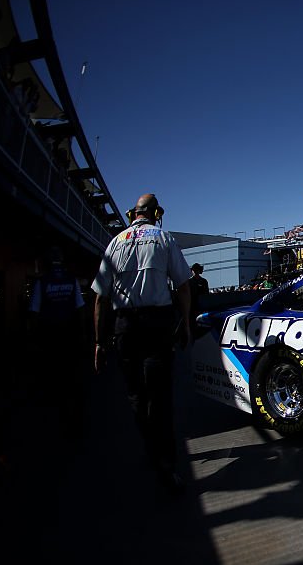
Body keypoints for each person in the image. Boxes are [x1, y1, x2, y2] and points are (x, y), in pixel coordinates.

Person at [92, 194, 192, 492]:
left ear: (133, 214)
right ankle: (167, 466)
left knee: (136, 395)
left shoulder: (115, 242)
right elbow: (184, 286)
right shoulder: (163, 239)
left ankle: (150, 449)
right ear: (156, 213)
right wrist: (185, 322)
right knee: (160, 397)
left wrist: (99, 342)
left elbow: (100, 297)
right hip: (156, 326)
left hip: (125, 327)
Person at [29, 246, 86, 442]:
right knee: (73, 379)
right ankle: (75, 419)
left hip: (50, 339)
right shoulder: (72, 280)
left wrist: (33, 339)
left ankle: (58, 417)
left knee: (54, 380)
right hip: (70, 338)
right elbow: (80, 309)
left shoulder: (42, 282)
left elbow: (34, 313)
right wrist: (83, 334)